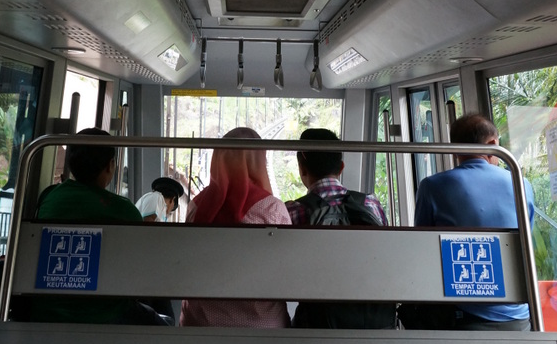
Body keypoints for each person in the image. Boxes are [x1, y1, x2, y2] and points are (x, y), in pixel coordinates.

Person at [410, 112, 535, 331]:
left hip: (460, 315)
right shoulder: (521, 184)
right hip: (518, 315)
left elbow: (421, 250)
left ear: (455, 150)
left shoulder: (432, 187)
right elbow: (525, 241)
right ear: (493, 144)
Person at [35, 127, 172, 325]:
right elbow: (139, 270)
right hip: (107, 313)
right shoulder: (124, 210)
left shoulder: (50, 197)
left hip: (46, 310)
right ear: (110, 165)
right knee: (163, 323)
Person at [179, 127, 291, 327]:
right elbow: (286, 270)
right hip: (263, 328)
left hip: (198, 325)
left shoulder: (196, 206)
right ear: (259, 162)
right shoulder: (271, 208)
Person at [285, 128, 395, 329]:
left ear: (301, 169)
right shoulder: (371, 204)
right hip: (374, 323)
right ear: (341, 167)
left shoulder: (293, 211)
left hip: (318, 325)